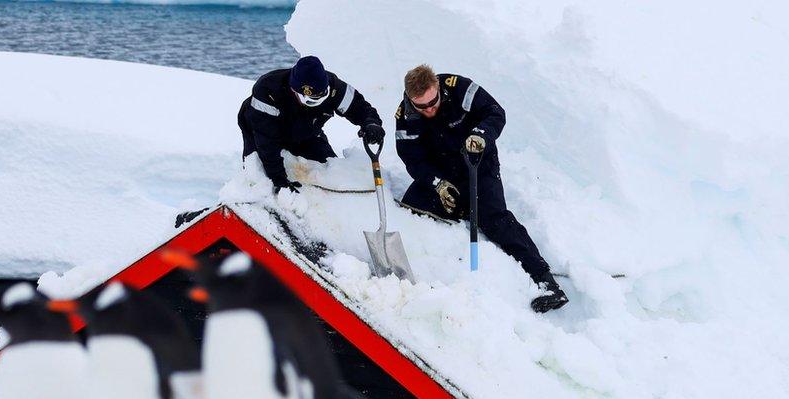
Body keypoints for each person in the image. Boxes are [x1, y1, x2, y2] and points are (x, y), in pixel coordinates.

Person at [393, 65, 568, 312]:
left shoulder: (459, 88)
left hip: (477, 163)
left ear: (438, 88)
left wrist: (481, 134)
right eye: (422, 106)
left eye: (433, 101)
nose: (430, 109)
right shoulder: (405, 117)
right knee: (411, 206)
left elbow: (496, 112)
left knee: (493, 218)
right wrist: (437, 184)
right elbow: (413, 160)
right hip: (443, 172)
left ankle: (545, 281)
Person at [238, 56, 385, 194]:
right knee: (261, 176)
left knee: (329, 168)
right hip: (260, 130)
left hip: (307, 131)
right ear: (294, 90)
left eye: (319, 97)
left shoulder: (335, 88)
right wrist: (278, 179)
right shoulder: (268, 91)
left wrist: (372, 124)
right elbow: (266, 141)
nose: (314, 101)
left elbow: (360, 108)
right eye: (309, 99)